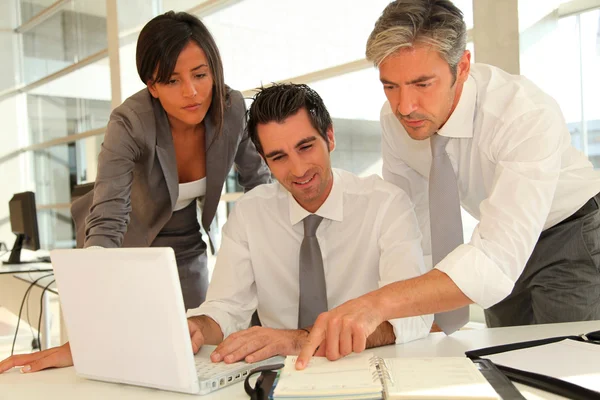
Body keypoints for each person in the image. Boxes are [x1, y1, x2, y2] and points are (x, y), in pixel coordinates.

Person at [0, 83, 432, 374]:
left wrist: (296, 339)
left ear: (330, 137)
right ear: (262, 159)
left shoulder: (384, 205)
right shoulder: (251, 214)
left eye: (306, 146)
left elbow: (412, 317)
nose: (298, 170)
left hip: (370, 376)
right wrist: (193, 327)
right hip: (278, 381)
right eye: (278, 156)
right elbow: (226, 309)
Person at [296, 0, 600, 369]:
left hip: (569, 232)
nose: (404, 106)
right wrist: (419, 316)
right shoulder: (394, 123)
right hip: (494, 235)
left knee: (567, 365)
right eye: (390, 86)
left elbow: (496, 260)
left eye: (422, 84)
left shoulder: (523, 114)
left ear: (463, 66)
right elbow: (410, 223)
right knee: (510, 363)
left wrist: (377, 303)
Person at [70, 11, 270, 311]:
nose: (191, 92)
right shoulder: (129, 122)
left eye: (200, 75)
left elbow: (259, 184)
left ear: (214, 72)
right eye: (172, 80)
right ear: (153, 86)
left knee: (192, 335)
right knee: (124, 340)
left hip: (185, 237)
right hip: (124, 239)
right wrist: (95, 279)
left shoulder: (231, 110)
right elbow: (110, 216)